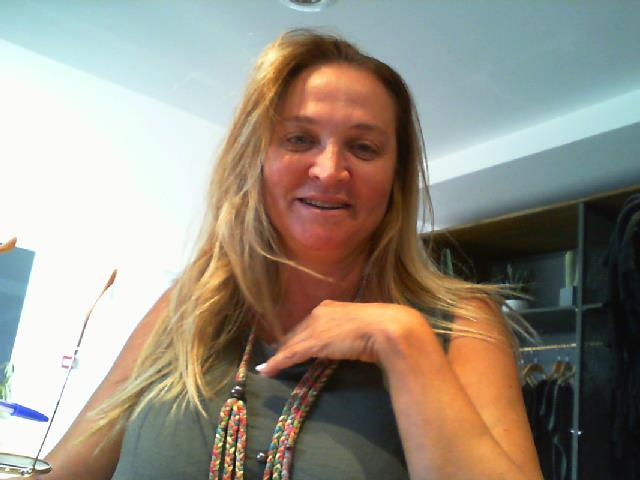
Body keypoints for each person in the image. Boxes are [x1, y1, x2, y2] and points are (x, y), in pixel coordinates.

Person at [41, 29, 543, 479]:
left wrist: (403, 341)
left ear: (395, 177)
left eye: (363, 148)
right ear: (256, 158)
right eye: (299, 139)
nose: (329, 170)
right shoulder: (185, 307)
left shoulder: (460, 326)